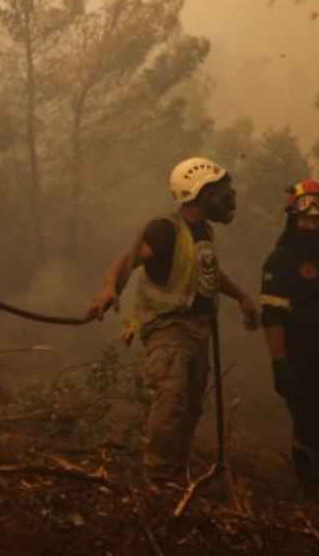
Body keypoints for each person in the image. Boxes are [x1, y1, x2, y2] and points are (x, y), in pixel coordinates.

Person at [88, 157, 260, 486]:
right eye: (218, 189)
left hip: (197, 331)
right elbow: (127, 261)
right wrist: (108, 288)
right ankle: (157, 478)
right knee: (172, 397)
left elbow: (205, 269)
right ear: (197, 192)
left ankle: (174, 478)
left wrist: (240, 296)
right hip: (168, 329)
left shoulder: (203, 231)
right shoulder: (166, 229)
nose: (227, 196)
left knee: (189, 407)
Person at [260, 178, 319, 499]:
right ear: (294, 220)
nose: (312, 225)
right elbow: (273, 318)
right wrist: (280, 364)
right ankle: (313, 498)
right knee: (313, 431)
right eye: (305, 219)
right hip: (305, 366)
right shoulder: (280, 262)